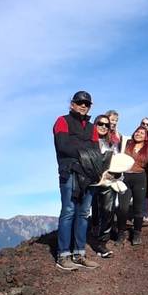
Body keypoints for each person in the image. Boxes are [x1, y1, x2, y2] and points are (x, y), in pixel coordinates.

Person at [53, 91, 100, 271]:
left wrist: (83, 152)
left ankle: (79, 254)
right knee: (69, 211)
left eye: (87, 104)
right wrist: (86, 152)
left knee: (83, 213)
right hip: (70, 172)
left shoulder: (92, 128)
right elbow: (63, 146)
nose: (83, 106)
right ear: (72, 104)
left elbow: (96, 151)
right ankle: (63, 255)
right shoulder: (62, 121)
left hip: (88, 175)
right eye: (80, 102)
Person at [90, 116, 119, 257]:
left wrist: (115, 174)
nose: (103, 127)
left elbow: (117, 161)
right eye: (100, 123)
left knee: (108, 211)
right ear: (94, 124)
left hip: (107, 181)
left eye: (106, 125)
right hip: (89, 181)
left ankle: (102, 243)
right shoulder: (87, 141)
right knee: (86, 210)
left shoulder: (111, 143)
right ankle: (76, 246)